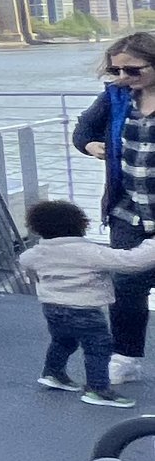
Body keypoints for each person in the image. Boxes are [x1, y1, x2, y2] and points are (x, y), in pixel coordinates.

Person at [72, 30, 155, 385]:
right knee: (126, 291)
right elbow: (83, 131)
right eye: (116, 70)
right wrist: (91, 146)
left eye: (132, 70)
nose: (123, 77)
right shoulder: (116, 97)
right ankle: (126, 357)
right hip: (128, 214)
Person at [17, 198, 155, 408]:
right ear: (80, 224)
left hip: (52, 308)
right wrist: (151, 244)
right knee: (98, 348)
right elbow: (130, 261)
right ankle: (97, 389)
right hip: (84, 311)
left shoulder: (35, 253)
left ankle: (53, 373)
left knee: (63, 341)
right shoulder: (89, 252)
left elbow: (25, 263)